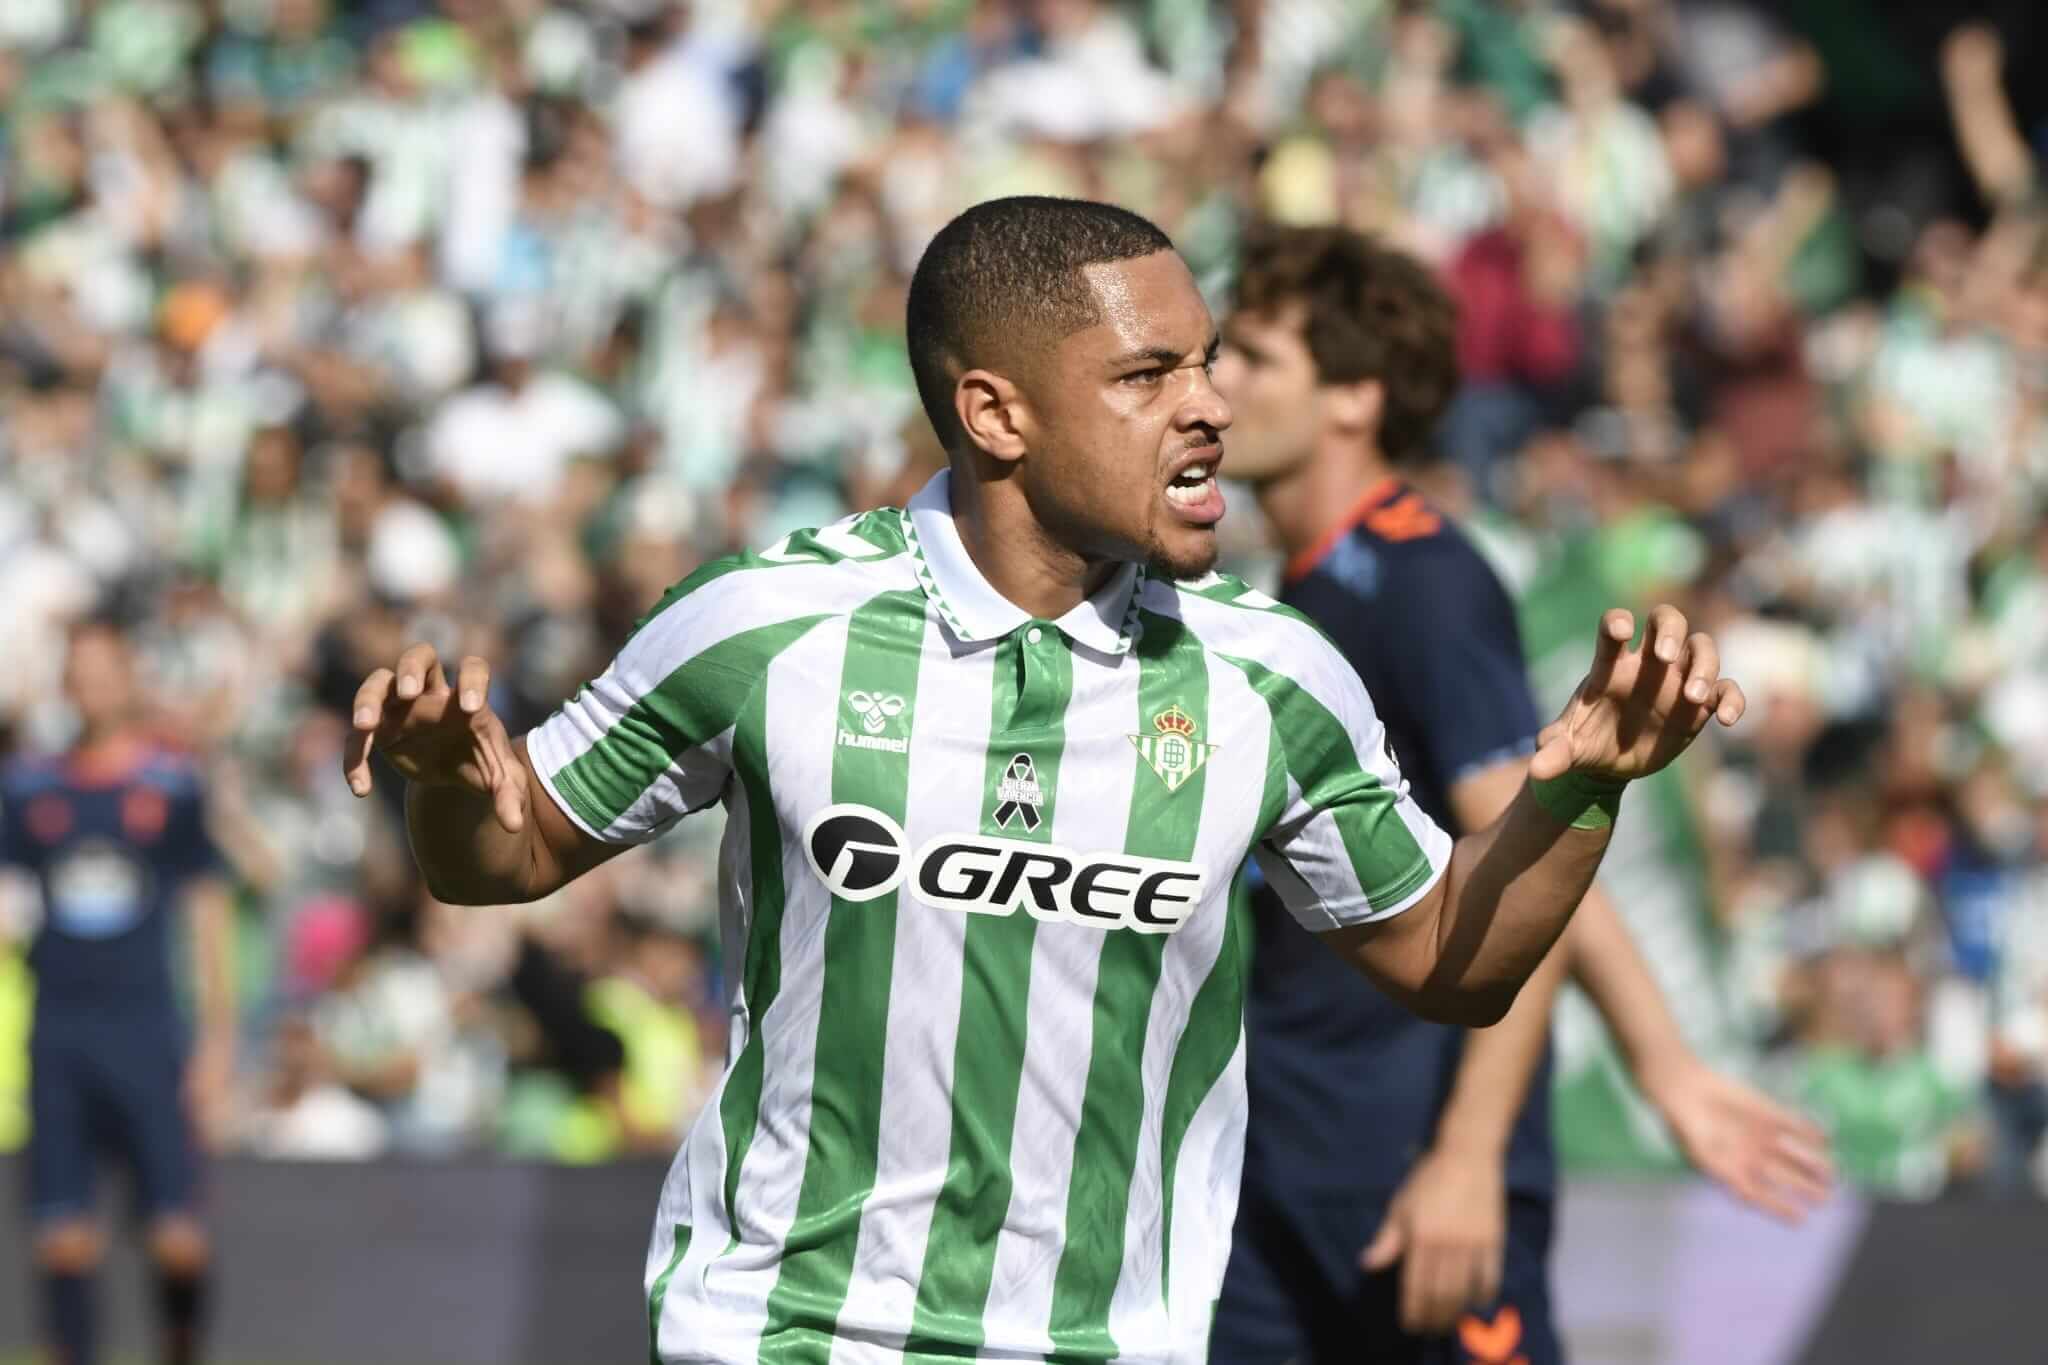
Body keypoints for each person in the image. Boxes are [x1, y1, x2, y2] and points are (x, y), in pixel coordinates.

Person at [343, 196, 1747, 1361]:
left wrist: (1583, 797)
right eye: (1148, 377)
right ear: (996, 414)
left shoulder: (1273, 677)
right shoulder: (766, 626)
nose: (1208, 409)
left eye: (1207, 363)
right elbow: (506, 853)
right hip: (787, 1332)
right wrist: (444, 780)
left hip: (1112, 1341)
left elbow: (1454, 960)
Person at [1208, 224, 1832, 1364]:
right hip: (1280, 1162)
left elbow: (1526, 867)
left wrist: (1472, 1155)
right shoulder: (1297, 594)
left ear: (1353, 396)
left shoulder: (1419, 582)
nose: (1214, 386)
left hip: (1412, 1176)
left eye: (1252, 358)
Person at [4, 616, 236, 1365]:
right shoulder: (28, 786)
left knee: (177, 1235)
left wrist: (219, 1035)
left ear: (130, 676)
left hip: (146, 1026)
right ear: (65, 680)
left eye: (108, 666)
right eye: (81, 668)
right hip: (62, 1027)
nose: (93, 682)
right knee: (63, 1234)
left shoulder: (169, 785)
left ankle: (181, 1345)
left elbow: (206, 906)